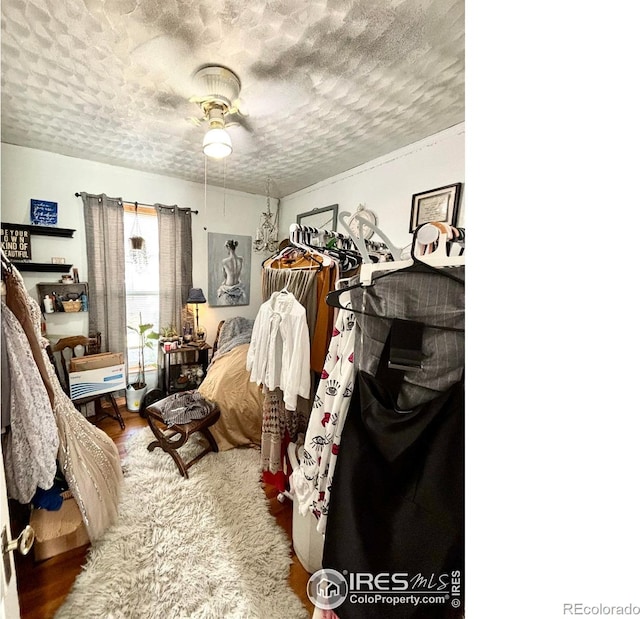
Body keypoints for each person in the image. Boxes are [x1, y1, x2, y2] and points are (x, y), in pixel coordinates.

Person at [217, 239, 247, 305]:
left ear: (228, 247)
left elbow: (225, 276)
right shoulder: (240, 259)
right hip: (237, 286)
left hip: (228, 287)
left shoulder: (224, 261)